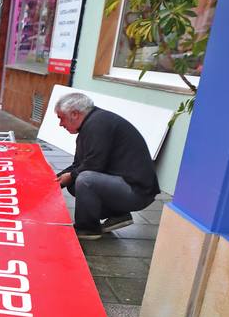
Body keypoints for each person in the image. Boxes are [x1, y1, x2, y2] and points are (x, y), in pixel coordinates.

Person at [53, 92, 159, 240]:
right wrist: (54, 181)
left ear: (75, 114)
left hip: (137, 191)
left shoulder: (98, 124)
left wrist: (70, 176)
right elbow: (78, 165)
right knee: (75, 182)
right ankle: (117, 214)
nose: (60, 124)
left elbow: (94, 165)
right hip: (124, 184)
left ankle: (88, 229)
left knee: (84, 179)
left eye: (61, 118)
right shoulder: (91, 124)